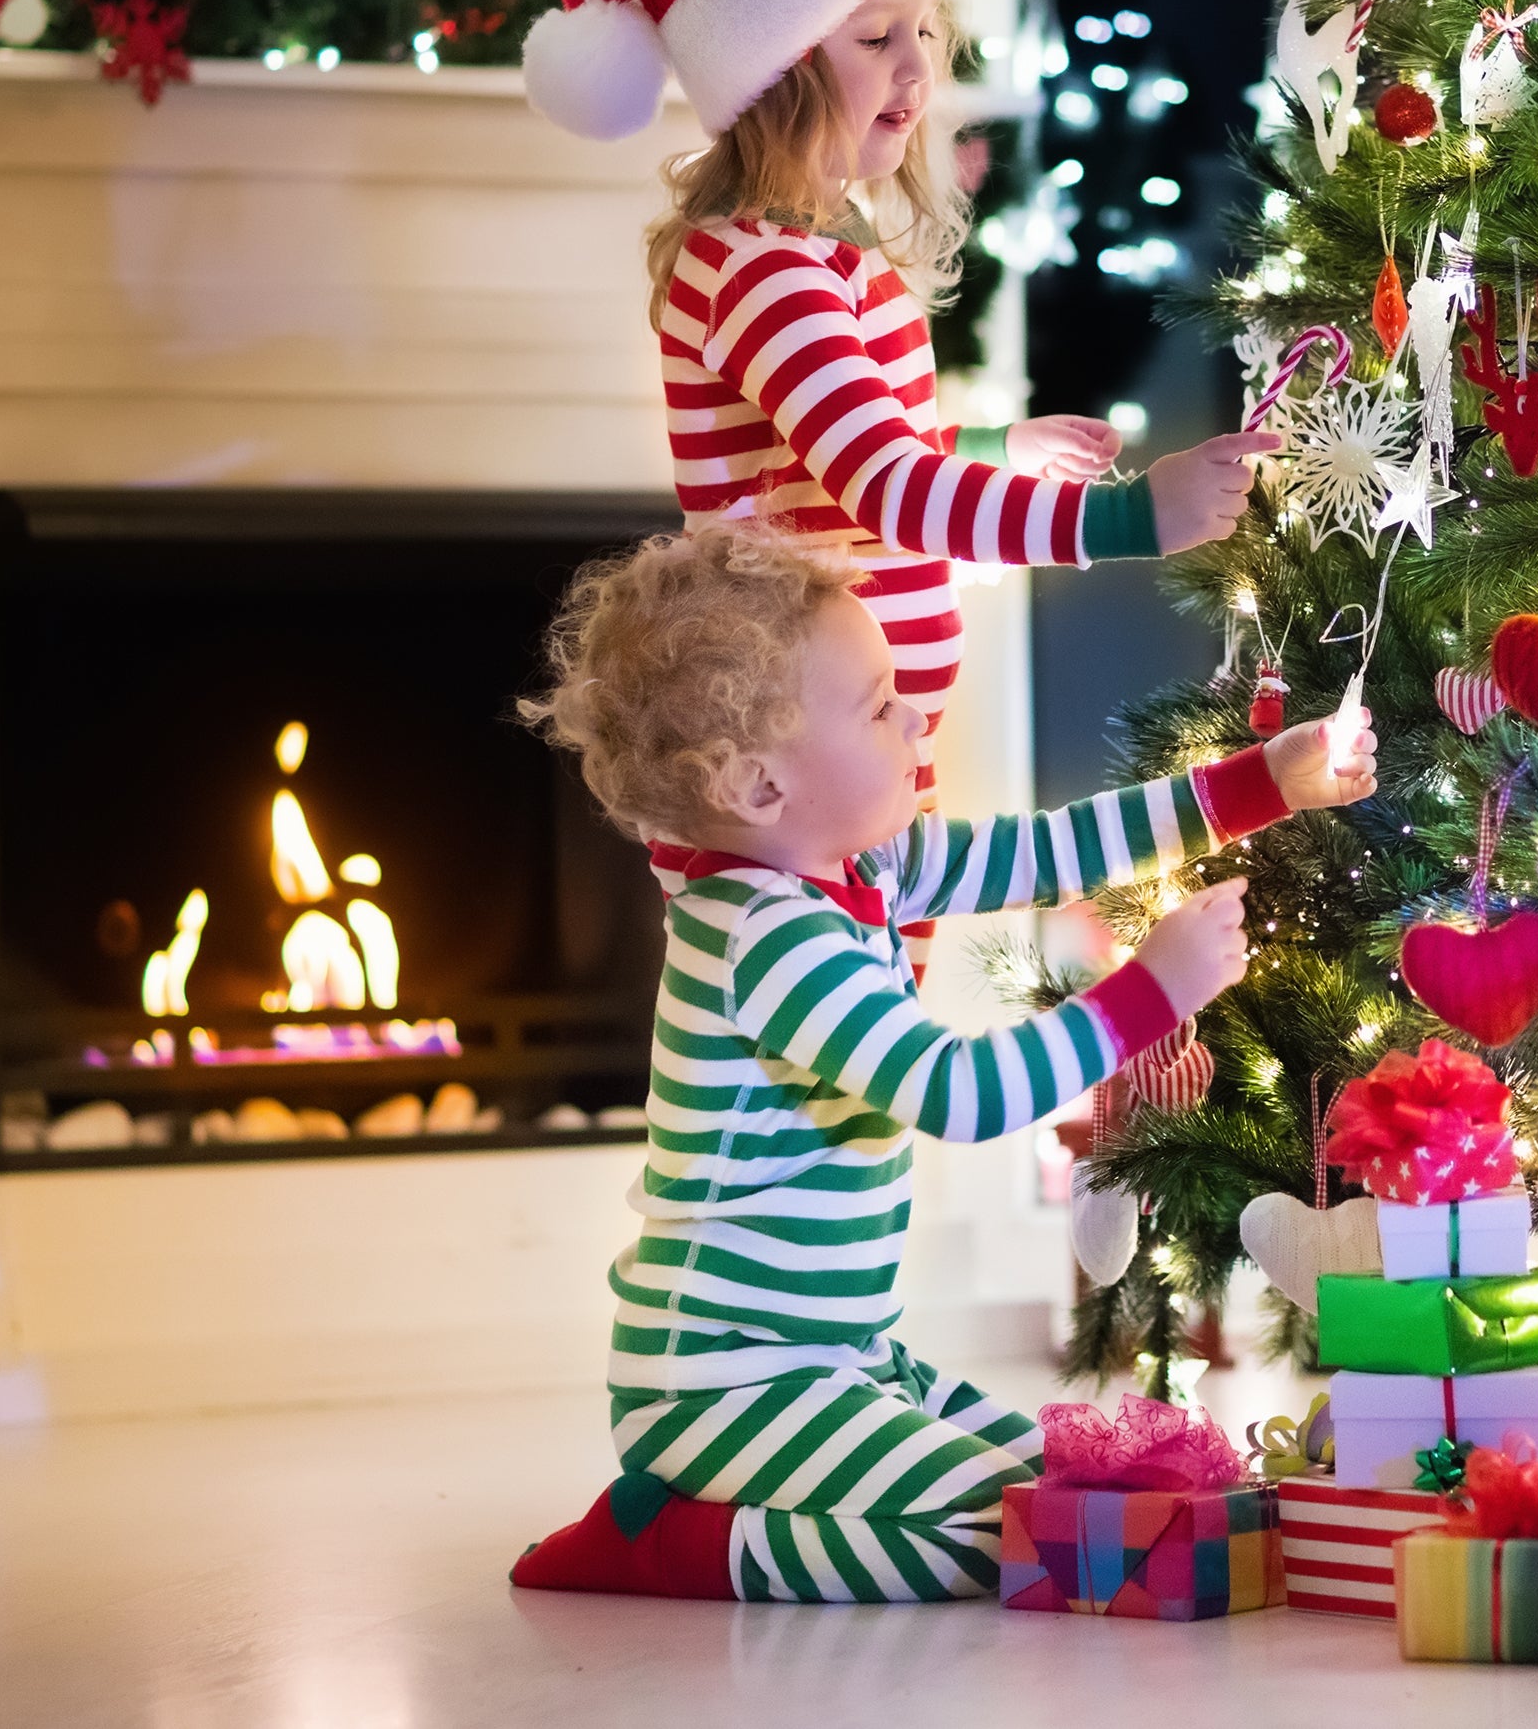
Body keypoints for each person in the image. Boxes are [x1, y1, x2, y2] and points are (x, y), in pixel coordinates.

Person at [507, 520, 1375, 1601]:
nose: (915, 715)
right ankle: (679, 1543)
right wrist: (1146, 990)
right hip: (722, 1385)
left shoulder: (855, 864)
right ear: (759, 788)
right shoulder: (762, 939)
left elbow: (1038, 851)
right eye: (878, 707)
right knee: (1009, 1535)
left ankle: (733, 1514)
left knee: (1060, 1475)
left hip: (844, 1359)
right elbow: (955, 1094)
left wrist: (1258, 785)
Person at [522, 0, 1273, 968]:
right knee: (834, 1068)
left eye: (924, 28)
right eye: (875, 37)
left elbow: (830, 467)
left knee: (866, 1074)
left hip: (847, 751)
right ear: (768, 64)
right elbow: (880, 489)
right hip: (787, 770)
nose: (916, 68)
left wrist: (986, 453)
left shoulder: (816, 252)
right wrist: (1131, 517)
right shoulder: (762, 270)